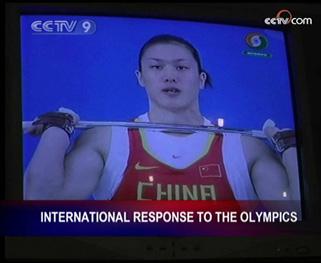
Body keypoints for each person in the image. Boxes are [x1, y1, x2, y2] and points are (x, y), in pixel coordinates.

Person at [24, 34, 300, 202]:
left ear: (201, 79)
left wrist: (289, 148)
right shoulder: (106, 139)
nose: (170, 75)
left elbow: (296, 213)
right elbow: (40, 202)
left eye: (181, 67)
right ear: (141, 78)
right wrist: (58, 131)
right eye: (156, 67)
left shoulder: (246, 147)